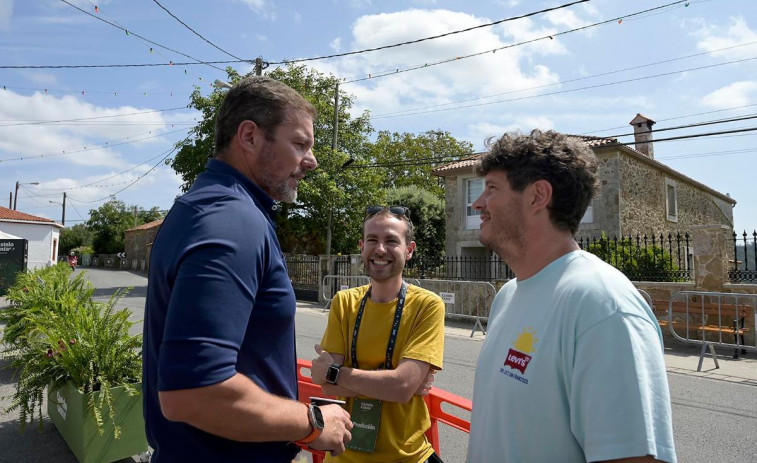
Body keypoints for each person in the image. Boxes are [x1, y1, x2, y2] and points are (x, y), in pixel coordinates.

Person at [142, 76, 352, 462]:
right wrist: (313, 422)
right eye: (300, 144)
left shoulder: (207, 207)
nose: (312, 161)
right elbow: (193, 393)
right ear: (250, 136)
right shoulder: (232, 220)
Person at [467, 130, 677, 463]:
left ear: (538, 196)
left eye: (491, 188)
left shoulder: (603, 305)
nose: (477, 203)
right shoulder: (508, 295)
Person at [311, 206, 445, 463]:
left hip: (407, 457)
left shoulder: (427, 306)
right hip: (343, 457)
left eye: (392, 240)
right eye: (372, 240)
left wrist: (338, 372)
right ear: (362, 246)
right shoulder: (344, 302)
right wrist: (391, 382)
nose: (380, 249)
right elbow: (326, 386)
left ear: (410, 250)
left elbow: (402, 387)